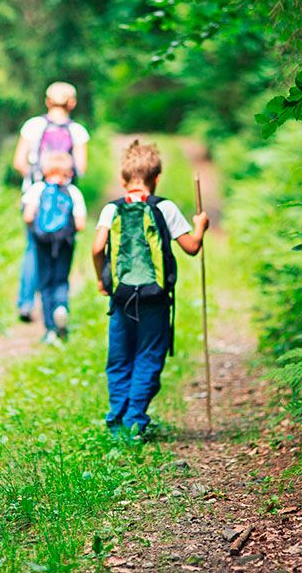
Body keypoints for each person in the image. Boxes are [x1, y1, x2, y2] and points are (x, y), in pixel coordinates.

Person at [91, 140, 209, 436]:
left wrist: (101, 279)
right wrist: (200, 226)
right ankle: (135, 419)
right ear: (157, 178)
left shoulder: (111, 209)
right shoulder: (165, 207)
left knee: (119, 358)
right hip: (155, 298)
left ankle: (117, 421)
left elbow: (97, 247)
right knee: (148, 355)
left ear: (122, 179)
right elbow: (192, 248)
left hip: (121, 297)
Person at [13, 81, 90, 323]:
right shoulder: (77, 131)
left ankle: (26, 303)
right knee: (63, 249)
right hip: (66, 201)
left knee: (32, 249)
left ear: (47, 101)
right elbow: (82, 168)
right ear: (72, 103)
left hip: (34, 196)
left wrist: (37, 182)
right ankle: (59, 300)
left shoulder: (33, 126)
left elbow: (18, 162)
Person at [22, 151, 87, 344]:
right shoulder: (73, 192)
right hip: (65, 244)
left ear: (45, 170)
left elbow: (28, 216)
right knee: (61, 280)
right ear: (69, 172)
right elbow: (81, 224)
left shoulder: (37, 189)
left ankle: (50, 328)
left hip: (42, 243)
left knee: (45, 282)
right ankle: (61, 308)